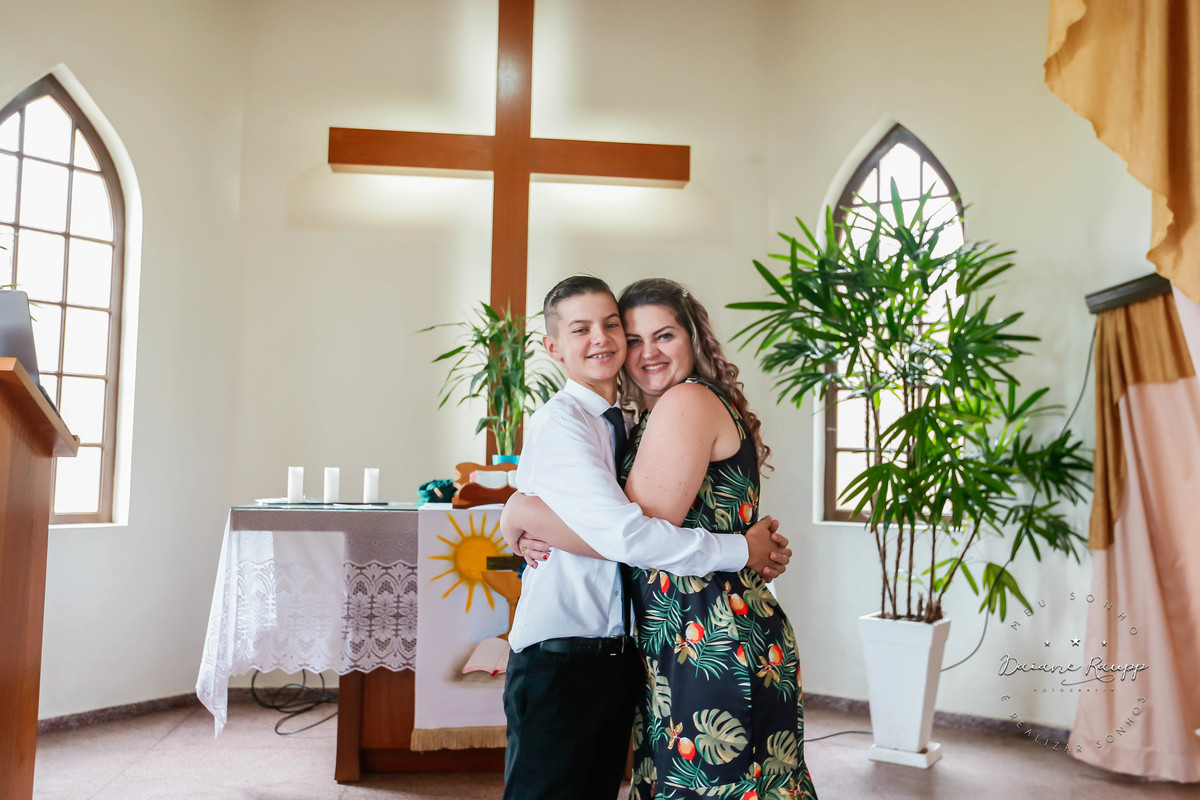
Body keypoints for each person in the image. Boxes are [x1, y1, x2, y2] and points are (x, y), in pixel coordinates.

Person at [504, 279, 818, 799]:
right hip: (669, 636)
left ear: (693, 338)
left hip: (707, 633)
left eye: (664, 335)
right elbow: (629, 534)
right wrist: (517, 509)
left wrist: (522, 511)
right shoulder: (620, 418)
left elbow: (632, 533)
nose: (646, 351)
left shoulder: (680, 403)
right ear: (554, 347)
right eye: (635, 339)